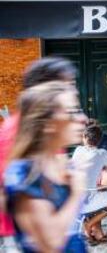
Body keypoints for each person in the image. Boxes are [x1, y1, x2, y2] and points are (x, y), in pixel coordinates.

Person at [0, 57, 77, 245]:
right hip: (21, 235)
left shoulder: (46, 127)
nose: (74, 91)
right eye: (67, 86)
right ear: (45, 90)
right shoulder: (30, 132)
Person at [71, 125, 107, 244]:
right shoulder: (102, 153)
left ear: (84, 137)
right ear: (100, 140)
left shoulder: (78, 150)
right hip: (87, 200)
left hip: (72, 199)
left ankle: (91, 225)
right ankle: (89, 224)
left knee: (102, 189)